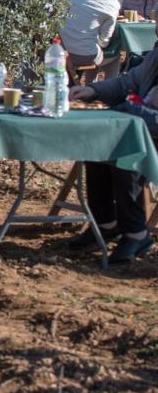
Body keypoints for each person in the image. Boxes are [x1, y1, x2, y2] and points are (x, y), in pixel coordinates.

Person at [68, 48, 157, 264]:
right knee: (101, 139)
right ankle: (106, 222)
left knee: (127, 143)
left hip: (148, 133)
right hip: (143, 127)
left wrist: (128, 110)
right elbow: (127, 82)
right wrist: (91, 90)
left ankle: (137, 234)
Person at [62, 0, 123, 80]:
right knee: (114, 56)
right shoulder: (113, 4)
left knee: (94, 49)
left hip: (65, 49)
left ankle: (90, 86)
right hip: (83, 55)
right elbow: (104, 41)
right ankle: (109, 90)